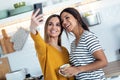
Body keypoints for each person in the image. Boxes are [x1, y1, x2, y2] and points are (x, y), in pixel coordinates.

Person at [59, 7, 108, 80]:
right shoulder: (73, 44)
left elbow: (103, 62)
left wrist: (78, 69)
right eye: (62, 21)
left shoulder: (87, 36)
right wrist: (70, 69)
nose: (64, 22)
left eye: (67, 18)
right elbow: (80, 64)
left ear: (76, 18)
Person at [29, 9, 74, 80]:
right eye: (50, 24)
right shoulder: (44, 48)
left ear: (61, 29)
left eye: (58, 25)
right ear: (46, 27)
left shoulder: (64, 50)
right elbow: (37, 39)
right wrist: (32, 27)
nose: (54, 27)